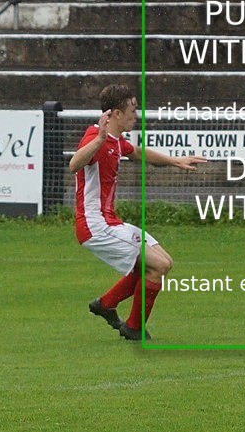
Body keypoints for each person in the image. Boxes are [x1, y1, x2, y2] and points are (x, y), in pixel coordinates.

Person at [70, 85, 206, 340]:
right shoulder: (95, 137)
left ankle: (107, 304)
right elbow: (74, 164)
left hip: (110, 222)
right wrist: (98, 140)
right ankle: (133, 327)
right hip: (95, 226)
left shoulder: (117, 141)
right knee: (159, 265)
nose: (136, 116)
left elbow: (138, 153)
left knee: (163, 262)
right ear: (117, 114)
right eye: (133, 110)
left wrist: (176, 160)